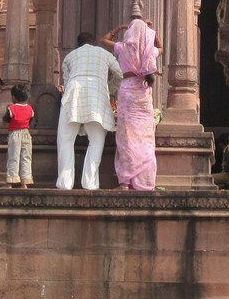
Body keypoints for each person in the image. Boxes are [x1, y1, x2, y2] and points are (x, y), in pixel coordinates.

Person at [101, 18, 163, 190]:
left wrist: (118, 28)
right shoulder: (149, 51)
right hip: (143, 93)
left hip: (127, 92)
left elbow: (103, 40)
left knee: (126, 137)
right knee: (145, 137)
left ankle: (125, 182)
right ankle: (145, 181)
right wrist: (152, 33)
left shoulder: (123, 48)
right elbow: (162, 48)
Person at [57, 31, 122, 190]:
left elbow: (66, 81)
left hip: (73, 95)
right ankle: (90, 183)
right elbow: (120, 75)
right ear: (94, 43)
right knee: (96, 141)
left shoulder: (70, 56)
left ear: (78, 44)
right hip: (97, 97)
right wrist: (108, 87)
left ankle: (65, 183)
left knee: (66, 140)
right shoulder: (104, 53)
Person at [3, 84, 35, 188]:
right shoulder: (30, 109)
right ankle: (25, 182)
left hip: (15, 134)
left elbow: (5, 121)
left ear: (14, 97)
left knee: (13, 157)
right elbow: (30, 121)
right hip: (26, 133)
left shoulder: (11, 108)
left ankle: (10, 182)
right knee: (26, 157)